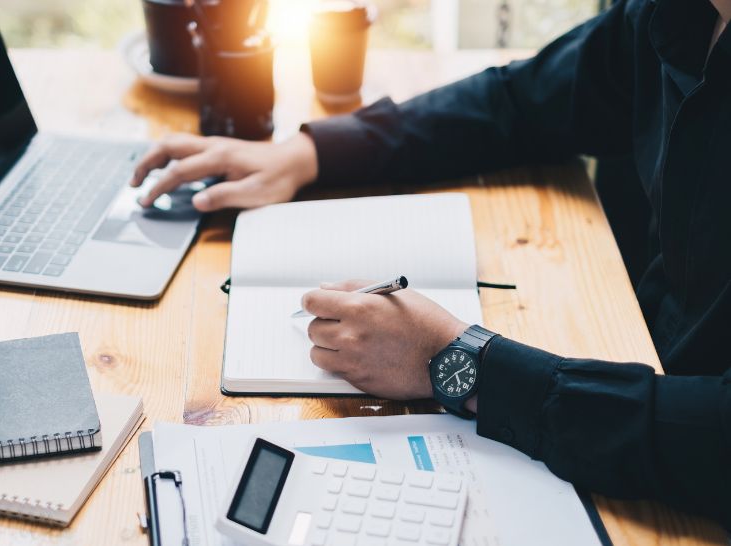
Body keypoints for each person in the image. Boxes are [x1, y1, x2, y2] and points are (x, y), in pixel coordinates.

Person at [130, 0, 731, 527]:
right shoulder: (672, 14)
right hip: (641, 366)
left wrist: (461, 361)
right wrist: (308, 153)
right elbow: (520, 100)